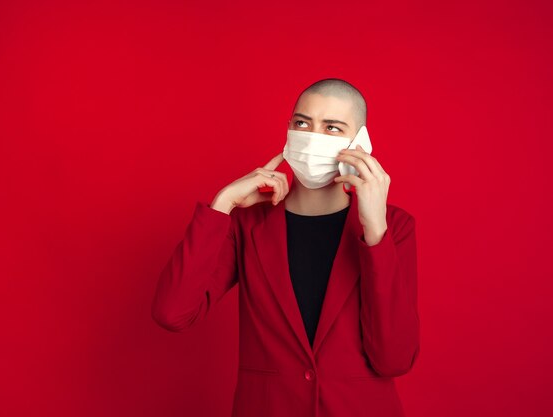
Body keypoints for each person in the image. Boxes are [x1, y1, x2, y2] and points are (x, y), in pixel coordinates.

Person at [151, 78, 420, 417]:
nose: (312, 136)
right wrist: (222, 206)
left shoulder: (394, 227)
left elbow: (394, 357)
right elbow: (172, 313)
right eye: (302, 123)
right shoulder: (247, 225)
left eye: (332, 128)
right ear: (289, 130)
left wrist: (375, 231)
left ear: (360, 142)